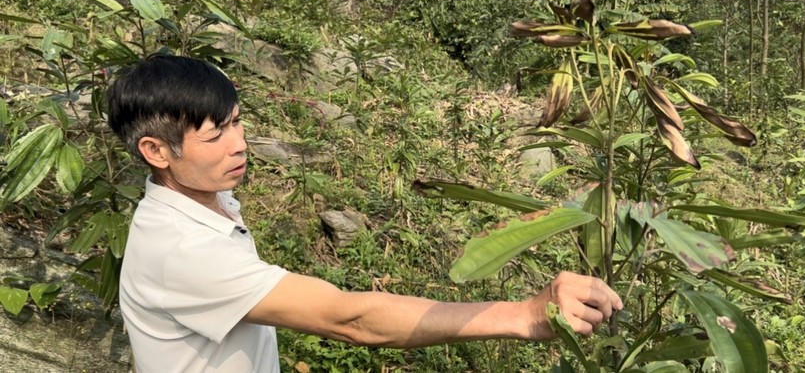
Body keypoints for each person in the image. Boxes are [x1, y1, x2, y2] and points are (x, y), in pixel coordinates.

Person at [107, 53, 623, 373]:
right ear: (156, 151)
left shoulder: (206, 198)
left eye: (238, 122)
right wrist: (523, 314)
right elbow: (347, 317)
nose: (240, 145)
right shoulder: (181, 250)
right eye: (216, 135)